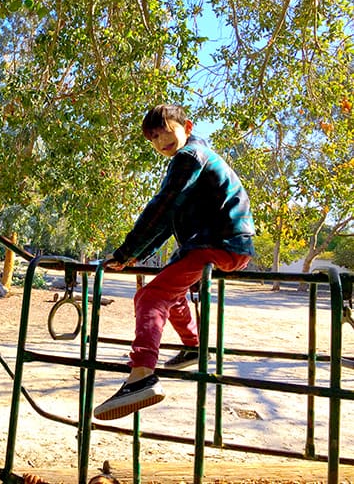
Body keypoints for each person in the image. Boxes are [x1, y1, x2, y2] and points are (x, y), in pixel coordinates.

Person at [93, 104, 255, 421]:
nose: (160, 141)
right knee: (174, 292)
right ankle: (194, 346)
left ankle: (141, 376)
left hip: (220, 243)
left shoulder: (189, 158)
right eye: (153, 137)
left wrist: (125, 251)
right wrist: (133, 256)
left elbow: (161, 208)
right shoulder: (197, 160)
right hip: (223, 244)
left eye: (166, 130)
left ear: (187, 127)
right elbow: (168, 224)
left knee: (150, 296)